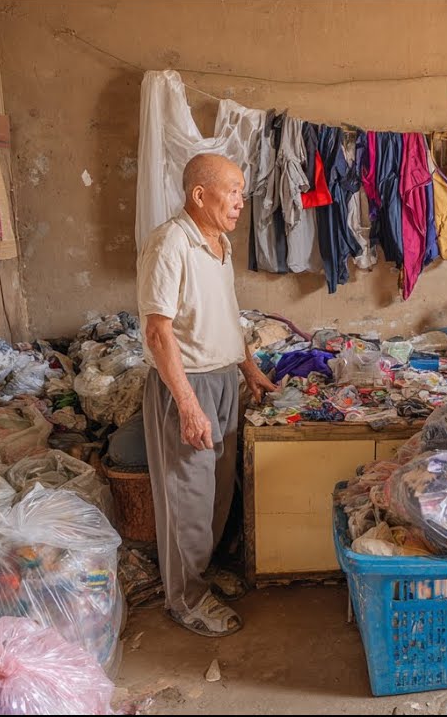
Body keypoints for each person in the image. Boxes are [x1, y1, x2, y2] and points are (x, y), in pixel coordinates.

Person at [137, 153, 277, 637]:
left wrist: (248, 367)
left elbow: (225, 313)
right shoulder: (170, 244)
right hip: (188, 385)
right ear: (200, 195)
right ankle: (184, 598)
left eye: (241, 191)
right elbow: (159, 333)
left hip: (222, 380)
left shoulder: (219, 244)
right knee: (187, 499)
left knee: (216, 492)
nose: (241, 201)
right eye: (233, 191)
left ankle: (201, 571)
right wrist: (188, 405)